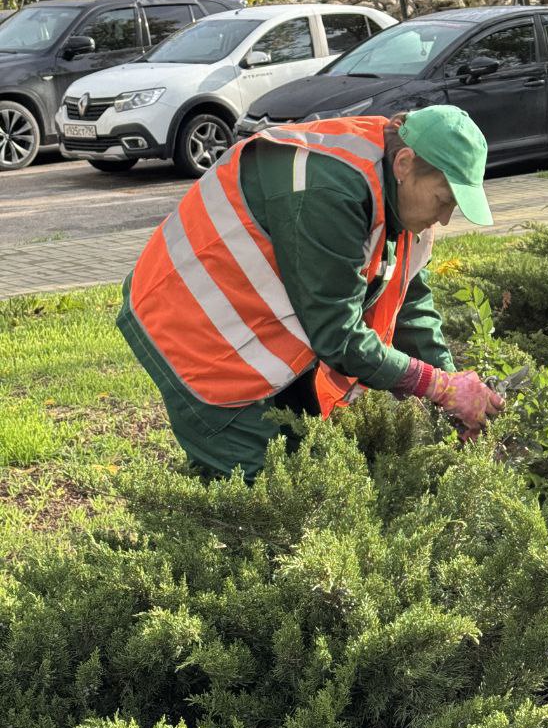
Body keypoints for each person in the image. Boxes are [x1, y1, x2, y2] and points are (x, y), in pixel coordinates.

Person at [117, 104, 505, 481]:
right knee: (265, 498)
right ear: (404, 164)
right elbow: (338, 335)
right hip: (194, 331)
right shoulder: (330, 191)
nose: (444, 218)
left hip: (259, 334)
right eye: (443, 200)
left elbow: (409, 302)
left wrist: (454, 388)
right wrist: (437, 386)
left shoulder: (395, 194)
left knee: (305, 469)